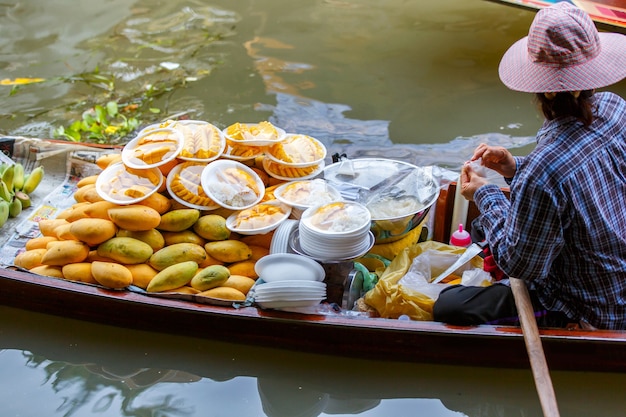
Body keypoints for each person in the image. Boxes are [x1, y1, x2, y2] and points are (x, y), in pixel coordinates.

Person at [433, 2, 626, 330]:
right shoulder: (616, 108)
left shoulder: (544, 170)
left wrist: (486, 194)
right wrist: (514, 166)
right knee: (484, 229)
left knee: (449, 306)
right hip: (614, 279)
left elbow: (521, 266)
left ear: (541, 90)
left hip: (587, 309)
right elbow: (569, 172)